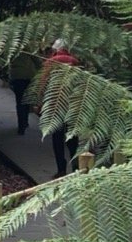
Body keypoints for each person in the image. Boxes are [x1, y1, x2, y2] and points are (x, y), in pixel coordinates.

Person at [41, 40, 81, 176]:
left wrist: (40, 103)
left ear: (55, 49)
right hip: (72, 103)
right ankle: (76, 166)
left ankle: (61, 169)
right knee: (72, 137)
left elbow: (43, 83)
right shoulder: (74, 61)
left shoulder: (50, 62)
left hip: (55, 104)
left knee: (57, 137)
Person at [8, 48, 42, 135]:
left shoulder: (11, 46)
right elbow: (36, 59)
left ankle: (21, 126)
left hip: (17, 76)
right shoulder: (27, 46)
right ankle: (25, 122)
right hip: (29, 76)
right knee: (27, 100)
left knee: (20, 102)